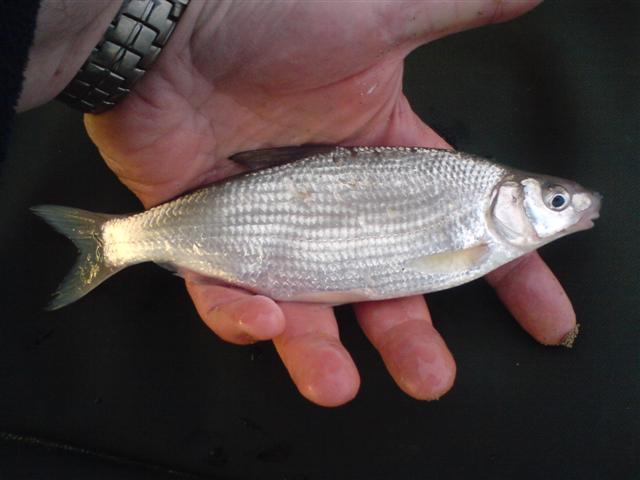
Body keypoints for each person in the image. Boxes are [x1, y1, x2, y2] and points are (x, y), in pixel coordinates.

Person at [6, 0, 577, 407]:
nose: (570, 210)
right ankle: (115, 241)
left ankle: (118, 239)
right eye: (557, 201)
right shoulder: (475, 203)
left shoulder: (474, 201)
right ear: (507, 198)